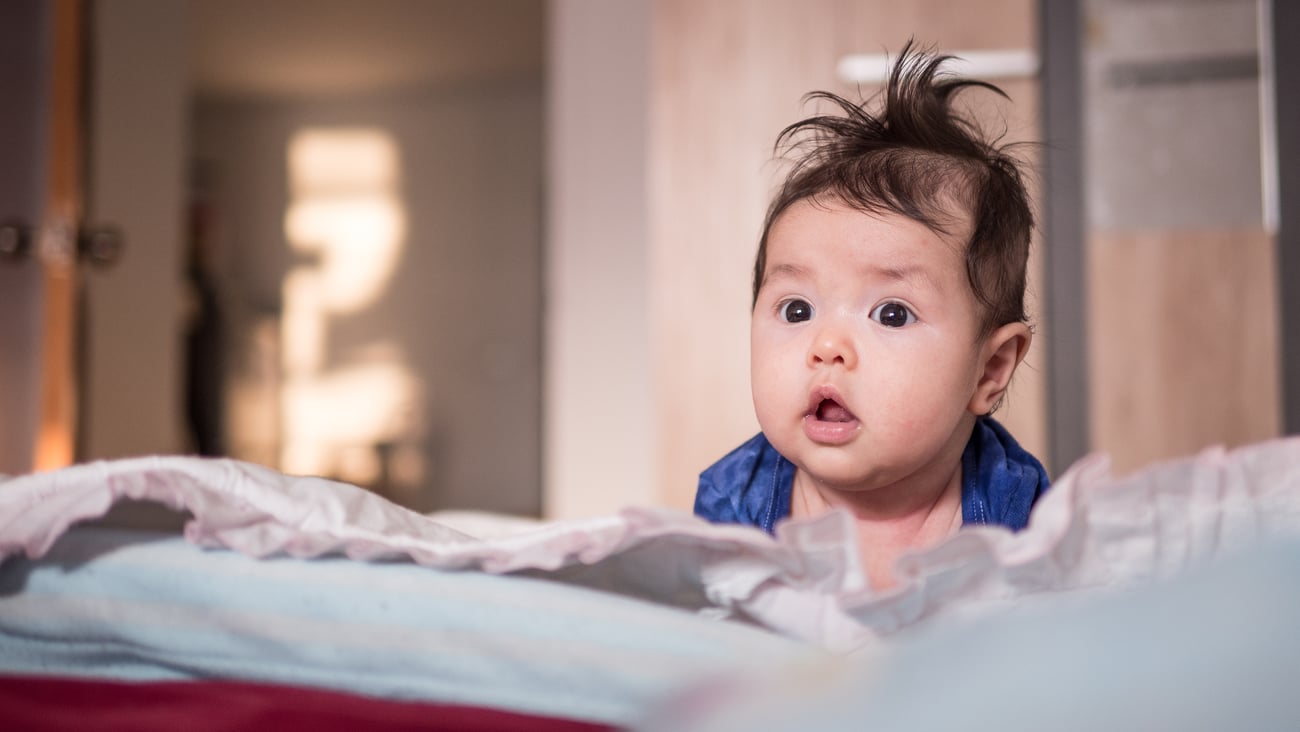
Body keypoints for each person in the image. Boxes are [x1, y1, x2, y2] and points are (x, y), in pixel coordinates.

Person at [694, 41, 1050, 589]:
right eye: (796, 309)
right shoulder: (733, 500)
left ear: (990, 369)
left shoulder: (1018, 513)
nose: (827, 344)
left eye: (890, 314)